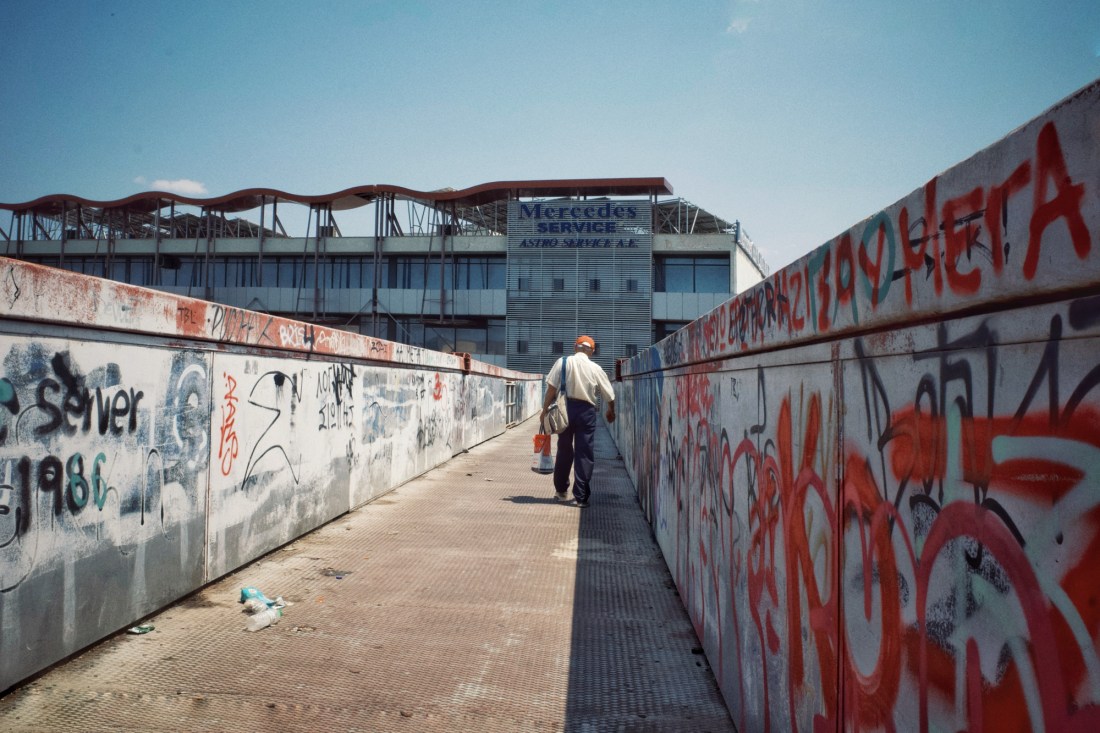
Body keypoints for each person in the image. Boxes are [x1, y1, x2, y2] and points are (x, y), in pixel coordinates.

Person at [539, 335, 616, 507]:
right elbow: (610, 395)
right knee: (584, 453)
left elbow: (551, 389)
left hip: (565, 409)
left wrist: (544, 410)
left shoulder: (562, 362)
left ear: (575, 347)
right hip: (587, 412)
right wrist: (611, 411)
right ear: (592, 351)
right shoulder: (596, 368)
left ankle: (561, 491)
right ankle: (581, 498)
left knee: (564, 449)